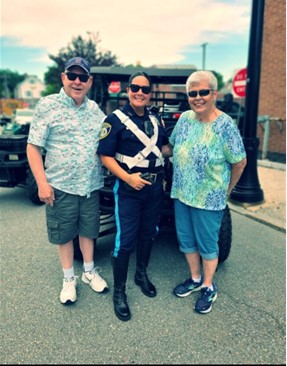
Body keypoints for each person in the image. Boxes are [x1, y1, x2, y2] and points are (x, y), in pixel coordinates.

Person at [26, 57, 109, 305]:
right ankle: (68, 279)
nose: (77, 81)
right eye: (72, 76)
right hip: (60, 186)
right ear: (63, 78)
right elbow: (33, 147)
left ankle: (89, 272)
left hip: (90, 185)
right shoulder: (48, 105)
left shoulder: (95, 111)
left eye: (83, 77)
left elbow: (109, 142)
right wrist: (42, 183)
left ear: (89, 82)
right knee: (63, 234)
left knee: (88, 231)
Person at [167, 70, 247, 314]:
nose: (197, 98)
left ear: (214, 94)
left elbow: (239, 162)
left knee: (208, 245)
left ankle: (208, 286)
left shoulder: (225, 126)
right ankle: (194, 278)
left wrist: (226, 191)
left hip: (209, 198)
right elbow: (170, 148)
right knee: (186, 241)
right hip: (182, 194)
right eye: (193, 93)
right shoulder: (185, 120)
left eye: (203, 92)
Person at [97, 71, 169, 321]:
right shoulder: (114, 119)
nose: (140, 93)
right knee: (124, 241)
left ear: (150, 93)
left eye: (145, 89)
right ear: (128, 90)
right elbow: (105, 156)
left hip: (155, 188)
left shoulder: (156, 119)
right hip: (128, 189)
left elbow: (165, 147)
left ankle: (141, 274)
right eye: (135, 88)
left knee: (149, 233)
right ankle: (119, 293)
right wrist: (128, 178)